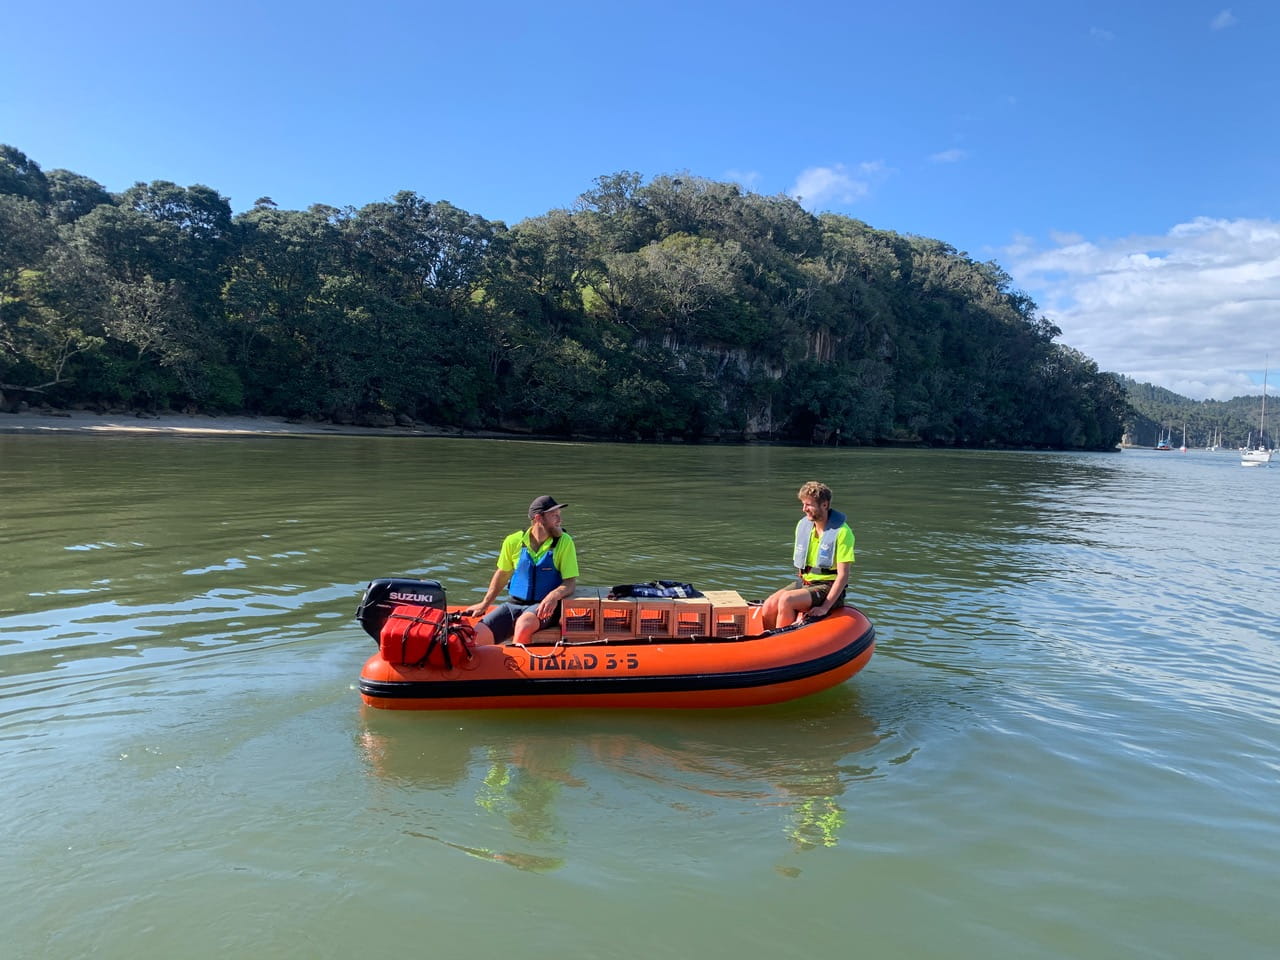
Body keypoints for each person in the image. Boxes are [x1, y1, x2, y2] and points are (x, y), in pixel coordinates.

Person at [461, 495, 579, 645]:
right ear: (539, 518)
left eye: (559, 515)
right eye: (554, 515)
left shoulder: (564, 542)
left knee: (523, 624)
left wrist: (553, 596)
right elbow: (502, 574)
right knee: (477, 634)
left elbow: (570, 582)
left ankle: (516, 665)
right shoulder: (513, 541)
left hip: (546, 607)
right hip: (514, 604)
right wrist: (484, 604)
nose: (559, 520)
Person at [760, 481, 855, 630]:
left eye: (808, 505)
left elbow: (843, 576)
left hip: (827, 587)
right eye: (803, 504)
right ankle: (766, 643)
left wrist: (825, 607)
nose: (804, 509)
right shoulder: (804, 526)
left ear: (824, 505)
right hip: (807, 583)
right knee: (769, 605)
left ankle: (780, 643)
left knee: (787, 600)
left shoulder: (842, 533)